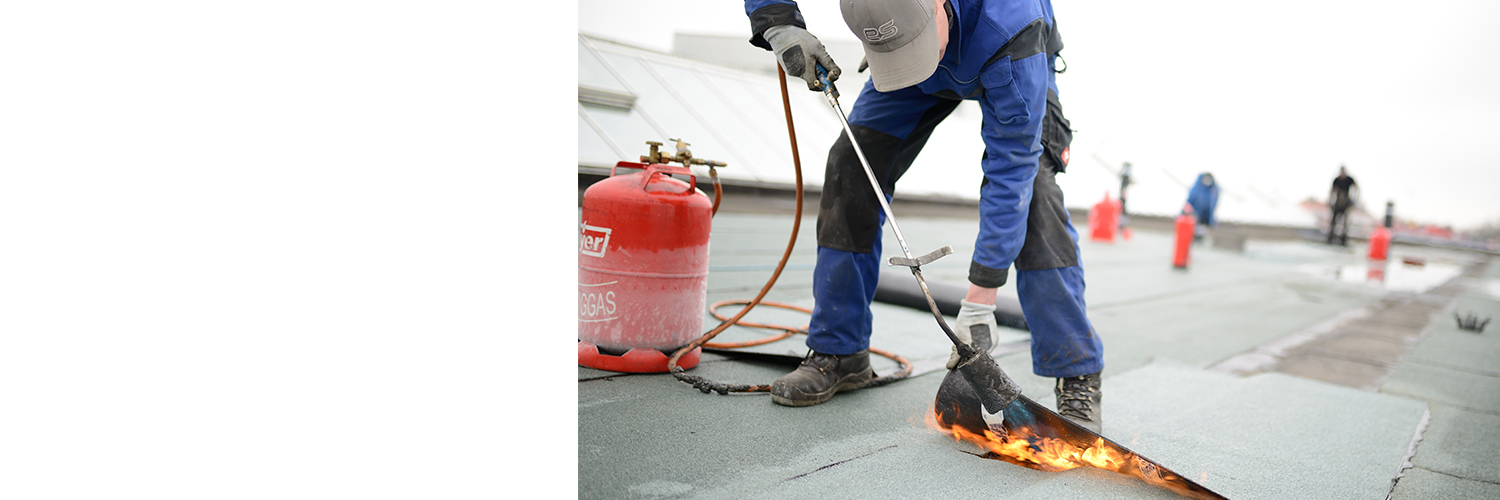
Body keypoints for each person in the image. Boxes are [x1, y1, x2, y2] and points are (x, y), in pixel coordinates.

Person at [744, 0, 1104, 433]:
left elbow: (1012, 170)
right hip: (914, 40)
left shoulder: (1014, 23)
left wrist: (981, 296)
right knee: (851, 167)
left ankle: (1077, 373)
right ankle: (840, 352)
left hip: (1001, 53)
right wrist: (777, 21)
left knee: (1036, 197)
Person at [1327, 165, 1358, 245]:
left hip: (1346, 202)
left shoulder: (1349, 180)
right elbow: (1332, 191)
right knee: (1334, 220)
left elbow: (1356, 189)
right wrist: (1331, 201)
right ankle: (1331, 237)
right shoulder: (1337, 180)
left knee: (1345, 222)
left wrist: (1353, 200)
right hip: (1338, 202)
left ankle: (1343, 239)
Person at [1184, 172, 1219, 243]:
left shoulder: (1213, 191)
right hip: (1194, 215)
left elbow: (1212, 206)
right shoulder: (1196, 189)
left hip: (1205, 218)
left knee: (1201, 232)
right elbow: (1190, 201)